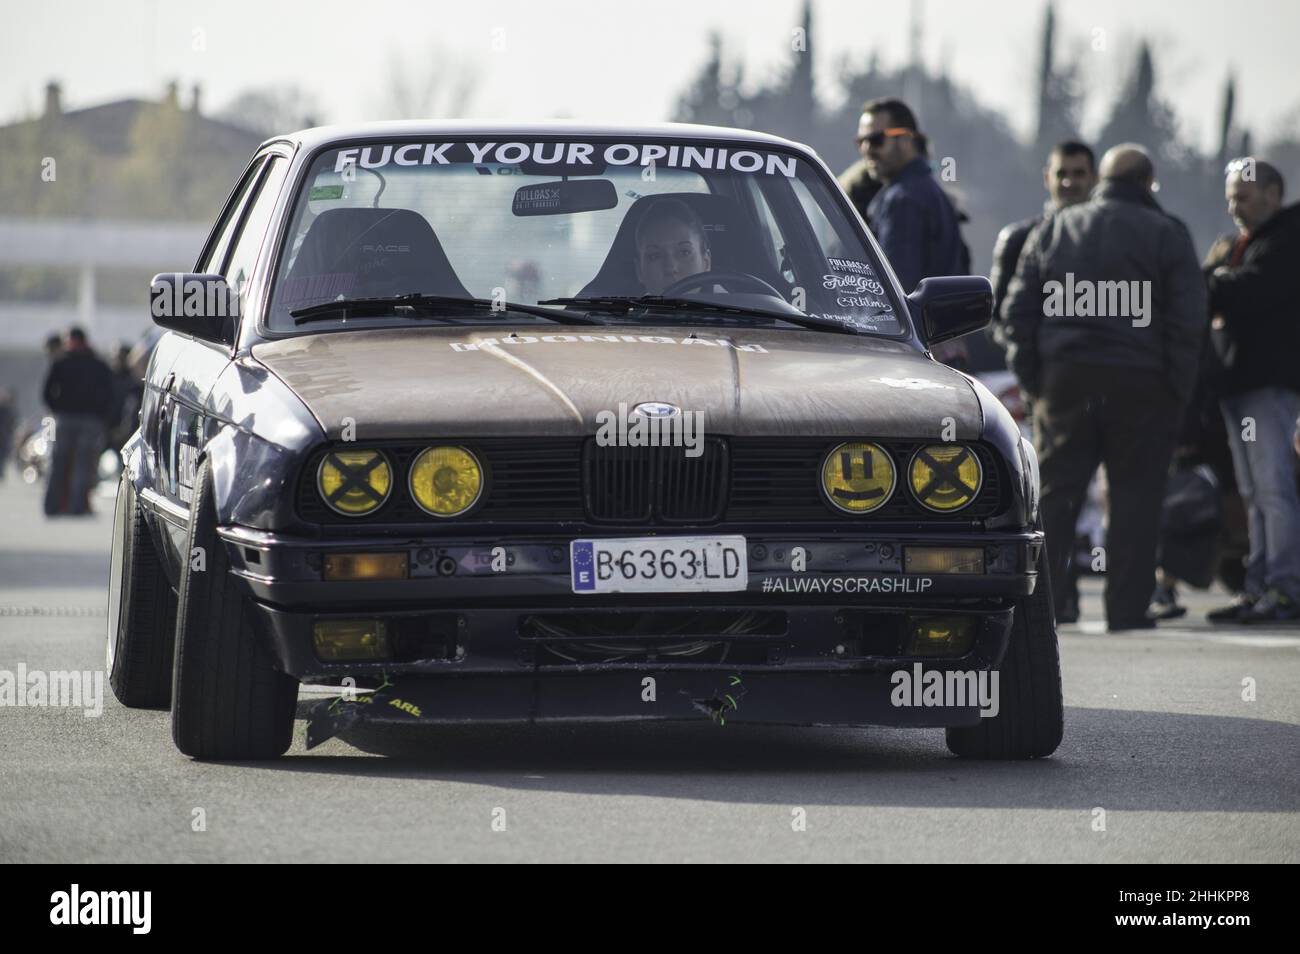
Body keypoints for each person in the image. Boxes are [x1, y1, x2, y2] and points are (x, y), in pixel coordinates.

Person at [1002, 144, 1207, 631]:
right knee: (1137, 497)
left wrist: (1037, 382)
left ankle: (1048, 606)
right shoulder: (1168, 233)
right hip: (1142, 384)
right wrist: (1177, 389)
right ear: (1148, 183)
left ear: (1102, 181)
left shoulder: (1054, 228)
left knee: (1056, 495)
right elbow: (1188, 321)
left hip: (1065, 381)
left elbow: (1016, 312)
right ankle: (1127, 608)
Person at [1202, 159, 1300, 623]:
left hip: (1268, 386)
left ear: (1273, 195)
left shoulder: (1286, 239)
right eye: (1229, 196)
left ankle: (1284, 589)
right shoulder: (1249, 243)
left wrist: (1216, 282)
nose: (1231, 205)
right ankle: (1259, 585)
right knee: (1254, 493)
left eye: (1241, 195)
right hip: (1240, 386)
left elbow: (1255, 291)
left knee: (1273, 489)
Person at [855, 97, 964, 295]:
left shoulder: (903, 200)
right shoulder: (927, 191)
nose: (866, 150)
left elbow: (893, 292)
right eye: (861, 141)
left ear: (905, 139)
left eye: (875, 140)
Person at [990, 141, 1099, 324]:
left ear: (1095, 179)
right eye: (1061, 173)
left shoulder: (1110, 241)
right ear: (1047, 178)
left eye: (1078, 174)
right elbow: (997, 316)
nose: (1068, 182)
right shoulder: (1018, 240)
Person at [42, 327, 113, 516]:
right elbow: (109, 393)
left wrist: (58, 409)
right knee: (83, 464)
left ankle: (52, 506)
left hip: (64, 419)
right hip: (90, 421)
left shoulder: (61, 362)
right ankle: (77, 507)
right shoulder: (98, 364)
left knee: (58, 462)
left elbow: (47, 392)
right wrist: (100, 415)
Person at [634, 199, 712, 296]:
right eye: (654, 256)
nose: (670, 268)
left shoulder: (734, 305)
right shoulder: (632, 310)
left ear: (706, 263)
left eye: (684, 252)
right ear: (639, 271)